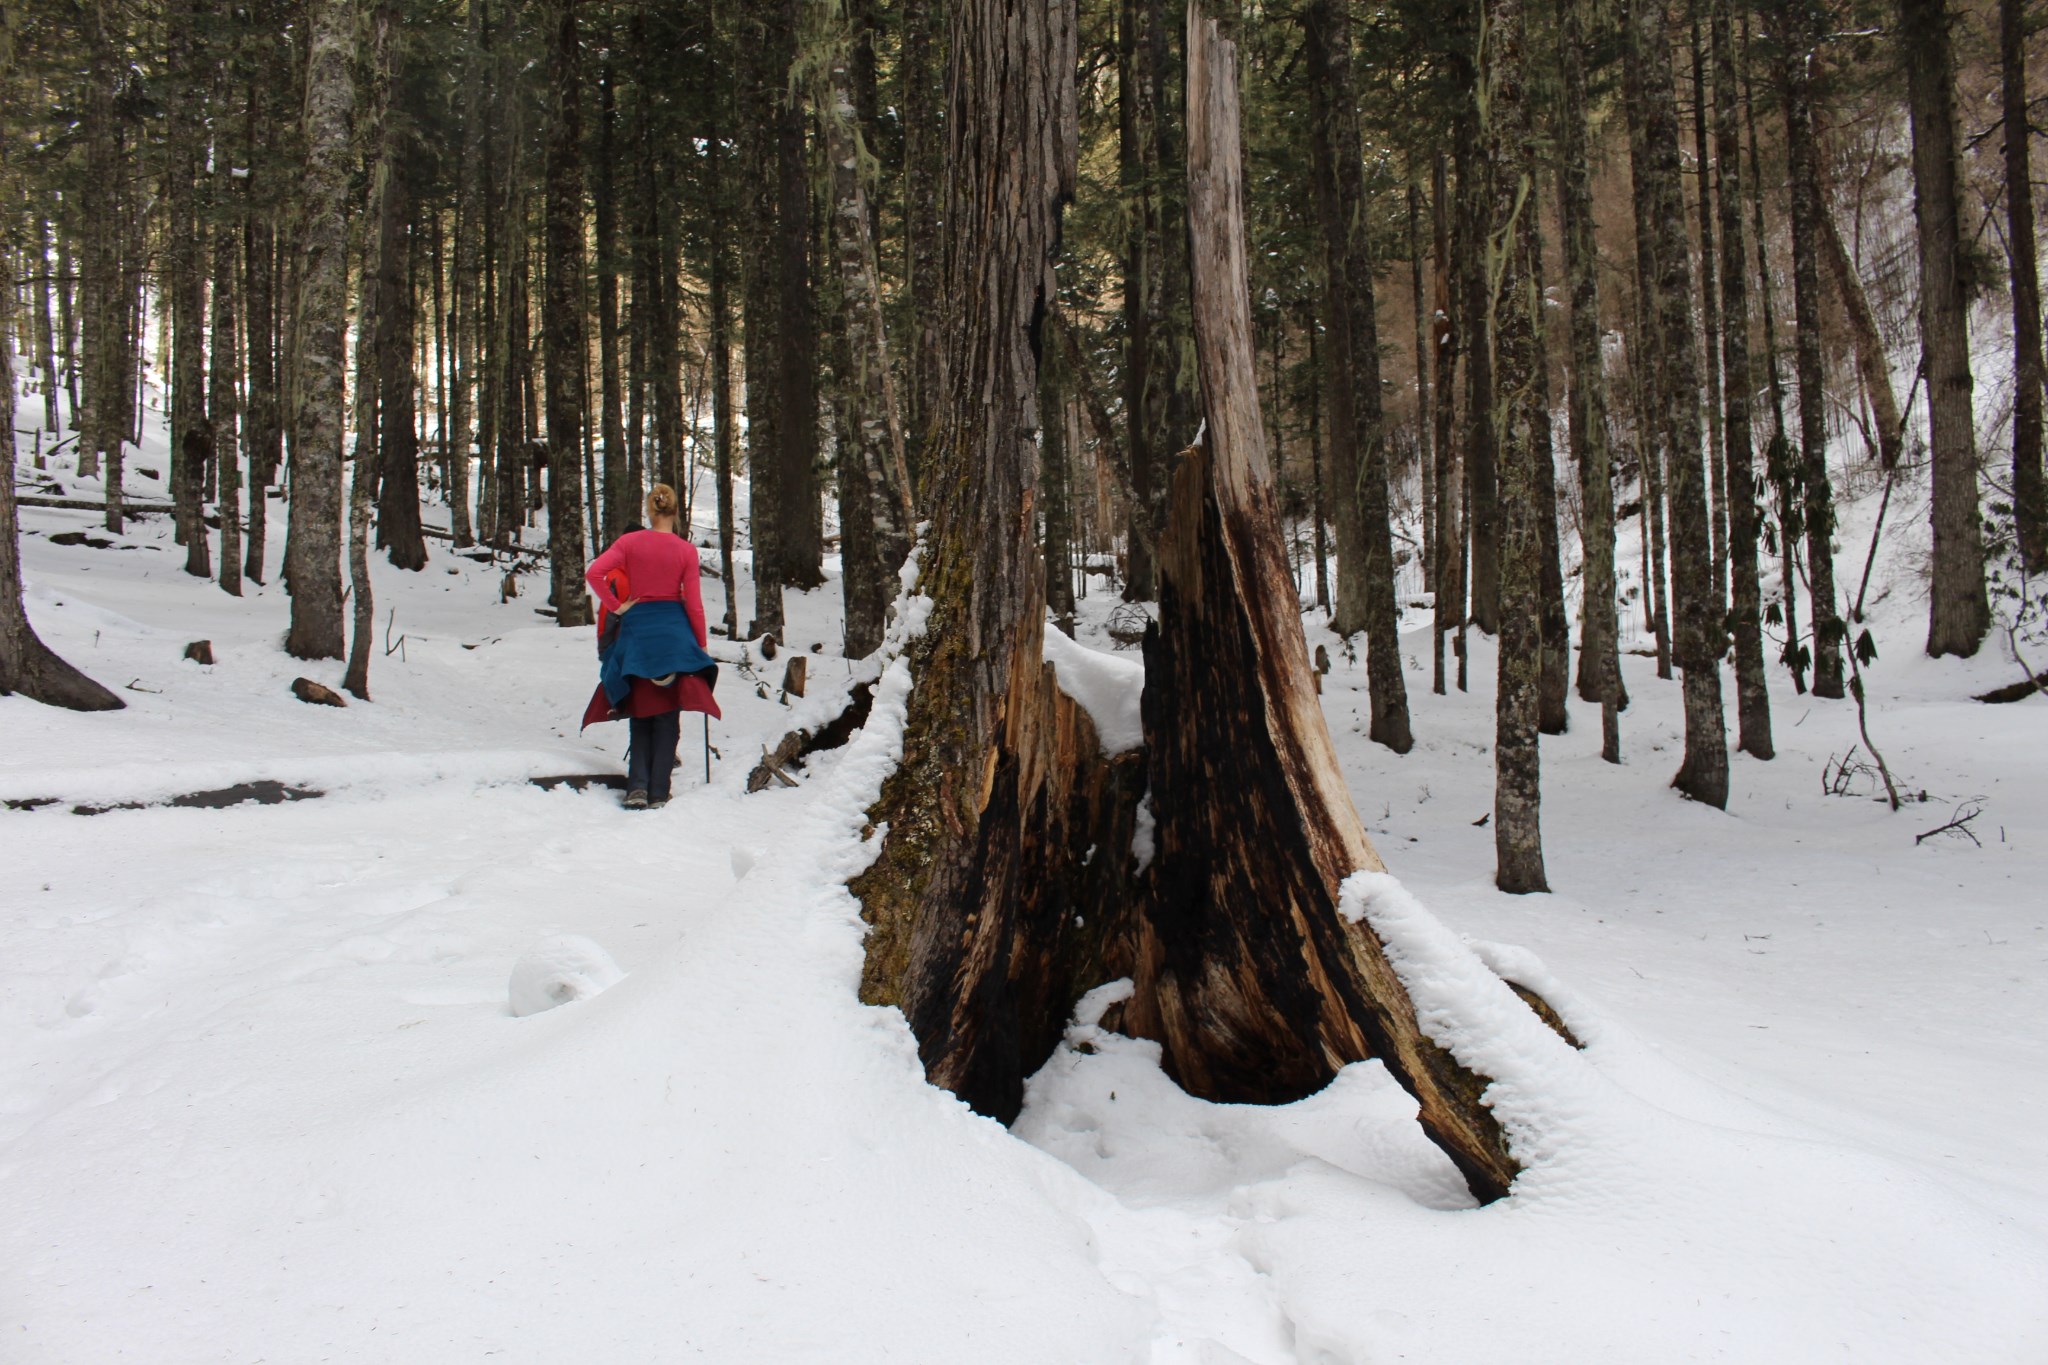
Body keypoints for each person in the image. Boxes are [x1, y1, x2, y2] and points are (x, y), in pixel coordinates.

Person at [581, 485, 720, 809]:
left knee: (641, 711)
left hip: (638, 631)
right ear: (676, 512)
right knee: (668, 716)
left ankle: (637, 789)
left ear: (649, 510)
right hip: (674, 634)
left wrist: (616, 606)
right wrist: (697, 645)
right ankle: (659, 791)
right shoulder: (686, 550)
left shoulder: (630, 542)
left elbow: (594, 572)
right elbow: (695, 605)